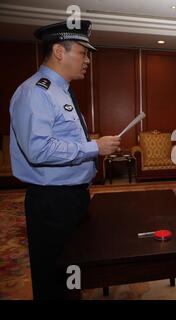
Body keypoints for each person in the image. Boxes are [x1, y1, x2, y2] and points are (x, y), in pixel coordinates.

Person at [9, 20, 121, 299]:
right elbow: (38, 150)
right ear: (59, 51)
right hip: (52, 203)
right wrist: (93, 148)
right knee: (54, 279)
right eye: (83, 53)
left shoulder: (61, 92)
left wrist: (93, 148)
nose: (88, 60)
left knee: (72, 272)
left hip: (72, 197)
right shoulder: (36, 92)